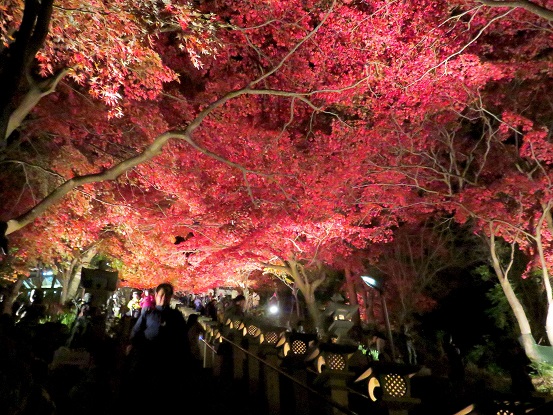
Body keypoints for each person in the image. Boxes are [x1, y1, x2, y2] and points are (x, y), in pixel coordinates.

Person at [121, 283, 188, 411]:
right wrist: (131, 344)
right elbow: (136, 330)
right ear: (156, 295)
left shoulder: (176, 316)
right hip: (148, 354)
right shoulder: (148, 312)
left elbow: (182, 337)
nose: (164, 298)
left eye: (167, 295)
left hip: (167, 357)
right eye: (161, 295)